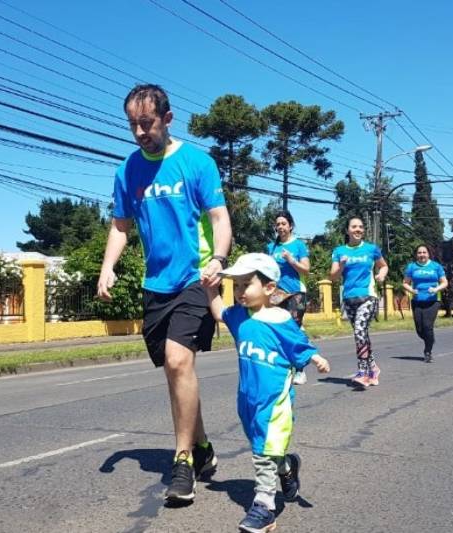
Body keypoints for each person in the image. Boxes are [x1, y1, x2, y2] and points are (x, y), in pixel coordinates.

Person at [98, 84, 232, 504]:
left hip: (196, 277)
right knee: (177, 375)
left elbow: (219, 217)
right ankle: (203, 446)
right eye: (133, 125)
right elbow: (121, 226)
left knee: (178, 361)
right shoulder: (128, 170)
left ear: (168, 119)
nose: (139, 132)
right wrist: (107, 267)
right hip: (154, 285)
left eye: (147, 123)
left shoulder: (196, 162)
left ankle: (183, 462)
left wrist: (220, 258)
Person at [205, 253, 330, 533]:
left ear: (269, 288)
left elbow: (301, 345)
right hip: (247, 400)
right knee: (265, 448)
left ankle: (264, 507)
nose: (238, 292)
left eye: (245, 285)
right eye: (235, 286)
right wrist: (209, 288)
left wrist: (315, 358)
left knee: (262, 452)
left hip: (275, 403)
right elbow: (217, 312)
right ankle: (287, 469)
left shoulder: (282, 321)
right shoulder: (239, 317)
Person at [330, 217, 388, 388]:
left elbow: (383, 266)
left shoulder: (371, 249)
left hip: (368, 296)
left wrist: (381, 275)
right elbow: (333, 276)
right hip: (349, 298)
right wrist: (340, 266)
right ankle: (373, 368)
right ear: (347, 230)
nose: (358, 229)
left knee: (359, 330)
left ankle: (363, 372)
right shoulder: (339, 251)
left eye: (361, 227)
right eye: (354, 226)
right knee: (361, 335)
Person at [266, 210, 310, 384]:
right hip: (276, 294)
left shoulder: (298, 245)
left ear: (290, 226)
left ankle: (299, 370)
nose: (280, 227)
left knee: (292, 330)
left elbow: (306, 269)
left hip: (295, 293)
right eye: (278, 224)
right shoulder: (271, 247)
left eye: (283, 223)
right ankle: (283, 368)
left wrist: (292, 260)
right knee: (276, 329)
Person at [402, 244, 448, 362]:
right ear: (416, 255)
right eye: (419, 253)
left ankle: (428, 351)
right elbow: (405, 283)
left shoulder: (436, 266)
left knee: (427, 326)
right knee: (419, 329)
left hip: (433, 300)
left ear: (428, 254)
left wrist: (436, 289)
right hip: (417, 301)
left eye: (424, 252)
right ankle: (430, 338)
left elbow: (444, 282)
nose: (422, 255)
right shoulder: (412, 267)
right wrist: (412, 290)